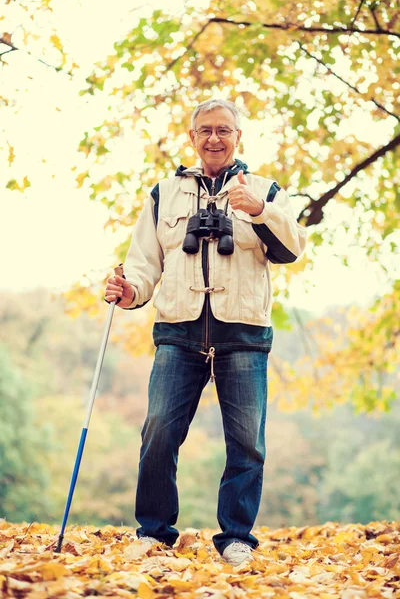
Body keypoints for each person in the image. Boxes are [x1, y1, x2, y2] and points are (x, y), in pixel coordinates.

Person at [104, 98, 307, 566]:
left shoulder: (266, 190)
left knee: (247, 441)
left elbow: (291, 248)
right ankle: (153, 533)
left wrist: (260, 211)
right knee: (158, 431)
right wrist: (127, 289)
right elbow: (143, 265)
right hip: (179, 329)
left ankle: (237, 537)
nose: (214, 138)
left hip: (243, 333)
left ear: (239, 137)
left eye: (223, 130)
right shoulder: (163, 194)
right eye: (205, 131)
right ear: (192, 138)